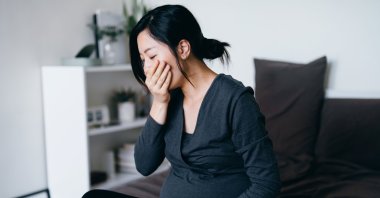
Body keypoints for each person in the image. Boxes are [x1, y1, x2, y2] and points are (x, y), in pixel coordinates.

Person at [83, 4, 281, 198]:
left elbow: (267, 184)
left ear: (183, 48)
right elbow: (144, 165)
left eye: (151, 56)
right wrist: (159, 103)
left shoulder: (236, 100)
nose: (147, 68)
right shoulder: (170, 97)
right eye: (143, 60)